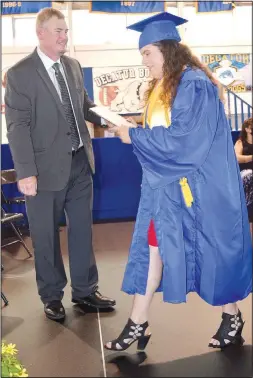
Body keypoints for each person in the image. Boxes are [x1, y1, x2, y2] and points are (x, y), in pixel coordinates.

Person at [105, 12, 252, 351]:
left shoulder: (194, 84)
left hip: (200, 190)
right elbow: (168, 130)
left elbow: (185, 140)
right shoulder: (164, 88)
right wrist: (131, 127)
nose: (144, 62)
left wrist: (135, 136)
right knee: (152, 250)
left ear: (167, 50)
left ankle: (232, 316)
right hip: (167, 190)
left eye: (147, 54)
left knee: (213, 254)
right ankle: (137, 323)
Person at [5, 7, 115, 321]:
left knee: (82, 232)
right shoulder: (19, 74)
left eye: (66, 31)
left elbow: (84, 106)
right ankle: (52, 296)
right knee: (46, 237)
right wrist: (25, 172)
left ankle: (85, 291)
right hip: (42, 172)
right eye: (58, 31)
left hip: (80, 163)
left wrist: (112, 121)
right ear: (40, 33)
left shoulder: (73, 66)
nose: (64, 36)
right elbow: (18, 127)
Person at [234, 118, 253, 239]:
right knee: (250, 174)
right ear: (246, 128)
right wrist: (250, 157)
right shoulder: (240, 142)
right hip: (245, 174)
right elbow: (236, 157)